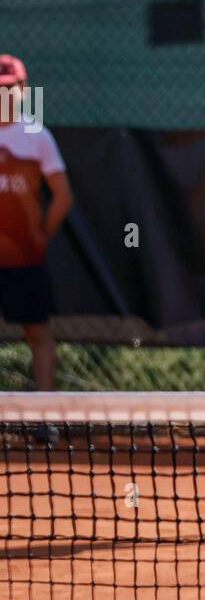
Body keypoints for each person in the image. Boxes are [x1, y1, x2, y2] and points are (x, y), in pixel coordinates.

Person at [0, 56, 73, 391]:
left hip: (25, 257)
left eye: (8, 88)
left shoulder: (37, 135)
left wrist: (41, 236)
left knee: (39, 332)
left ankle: (45, 416)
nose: (3, 95)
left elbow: (62, 195)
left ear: (24, 90)